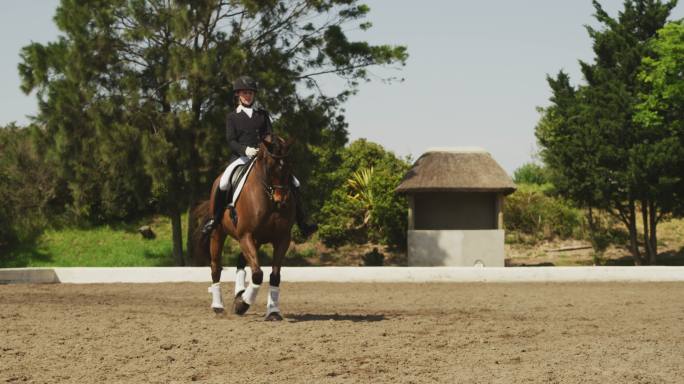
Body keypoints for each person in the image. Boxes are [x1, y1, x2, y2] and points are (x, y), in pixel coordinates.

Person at [201, 75, 317, 237]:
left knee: (294, 182)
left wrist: (269, 148)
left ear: (254, 95)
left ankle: (302, 220)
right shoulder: (232, 117)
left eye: (250, 93)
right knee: (223, 182)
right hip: (241, 158)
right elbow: (231, 140)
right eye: (244, 93)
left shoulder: (262, 114)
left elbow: (269, 134)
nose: (248, 96)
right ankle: (215, 219)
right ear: (238, 95)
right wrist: (245, 150)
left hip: (263, 158)